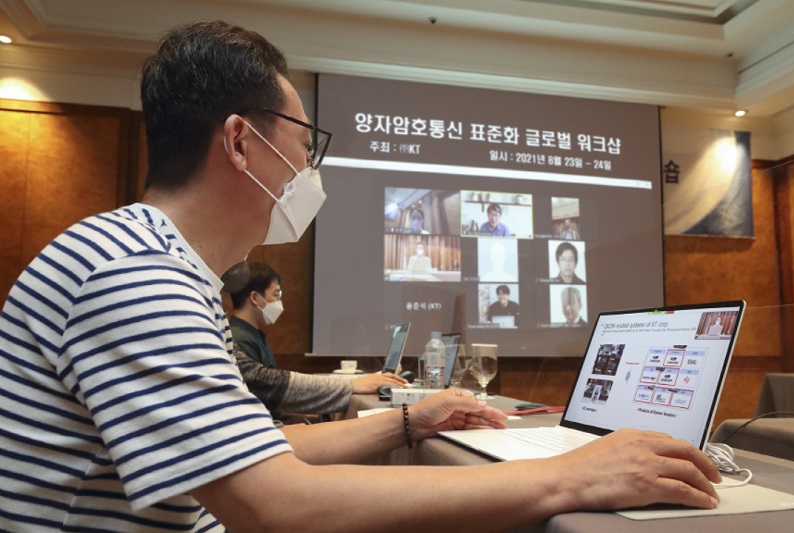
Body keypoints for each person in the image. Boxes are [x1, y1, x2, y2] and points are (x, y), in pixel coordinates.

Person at [0, 21, 722, 532]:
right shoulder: (134, 274)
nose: (310, 168)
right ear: (241, 142)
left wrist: (409, 421)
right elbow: (275, 504)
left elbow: (254, 450)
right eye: (305, 143)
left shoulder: (152, 262)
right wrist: (574, 474)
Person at [228, 261, 407, 418]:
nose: (279, 302)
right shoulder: (239, 338)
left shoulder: (251, 334)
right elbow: (269, 388)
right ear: (255, 297)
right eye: (276, 295)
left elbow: (270, 391)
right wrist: (352, 385)